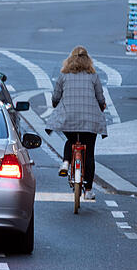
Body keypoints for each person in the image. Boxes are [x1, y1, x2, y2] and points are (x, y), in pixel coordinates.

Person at [46, 46, 107, 201]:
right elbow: (100, 98)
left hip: (69, 118)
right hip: (90, 121)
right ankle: (88, 190)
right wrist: (102, 106)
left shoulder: (63, 75)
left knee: (71, 140)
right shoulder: (93, 76)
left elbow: (55, 97)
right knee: (90, 152)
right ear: (88, 61)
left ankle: (66, 163)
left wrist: (56, 104)